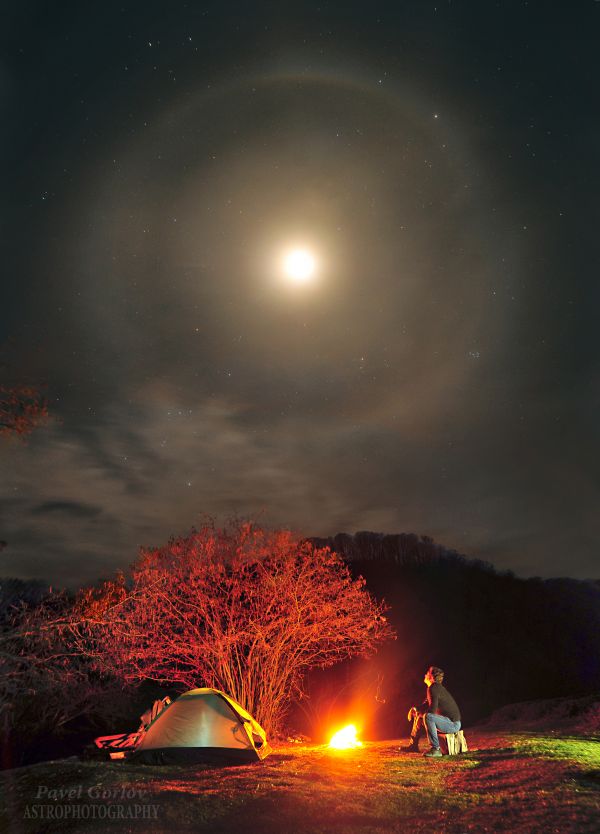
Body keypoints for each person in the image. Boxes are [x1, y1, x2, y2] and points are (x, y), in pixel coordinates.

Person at [401, 666, 461, 758]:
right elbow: (426, 704)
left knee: (427, 716)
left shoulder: (433, 688)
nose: (425, 675)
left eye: (427, 673)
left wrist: (420, 714)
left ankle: (436, 749)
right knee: (421, 716)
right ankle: (413, 745)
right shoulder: (434, 688)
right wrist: (415, 709)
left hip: (452, 724)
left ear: (431, 677)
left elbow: (432, 711)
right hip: (448, 722)